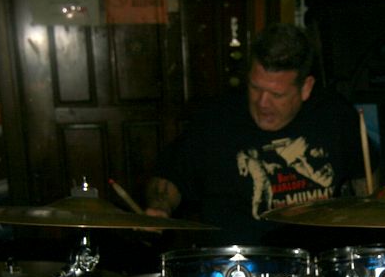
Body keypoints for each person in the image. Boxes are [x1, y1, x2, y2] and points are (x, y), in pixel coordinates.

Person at [145, 22, 370, 248]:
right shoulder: (215, 121)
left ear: (306, 88)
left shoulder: (335, 117)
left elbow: (366, 180)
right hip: (236, 264)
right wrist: (160, 207)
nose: (262, 103)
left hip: (315, 263)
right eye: (255, 88)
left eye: (276, 94)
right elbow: (169, 175)